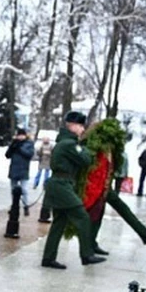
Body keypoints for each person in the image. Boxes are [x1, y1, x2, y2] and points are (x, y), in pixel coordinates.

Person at [77, 121, 146, 256]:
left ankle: (144, 234)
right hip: (95, 186)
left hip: (105, 186)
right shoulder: (92, 145)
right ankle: (90, 245)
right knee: (95, 216)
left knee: (118, 210)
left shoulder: (109, 148)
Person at [40, 111, 106, 269]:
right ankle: (86, 254)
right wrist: (86, 150)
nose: (83, 129)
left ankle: (48, 258)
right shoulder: (69, 144)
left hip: (59, 184)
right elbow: (86, 160)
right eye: (81, 126)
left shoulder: (65, 142)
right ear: (72, 125)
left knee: (59, 222)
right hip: (62, 185)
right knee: (82, 217)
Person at [5, 128, 34, 215]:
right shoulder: (14, 143)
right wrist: (12, 146)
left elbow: (29, 154)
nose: (20, 137)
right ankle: (14, 206)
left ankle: (26, 206)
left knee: (24, 189)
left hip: (23, 169)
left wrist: (20, 149)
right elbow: (7, 155)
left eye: (22, 135)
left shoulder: (29, 144)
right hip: (14, 169)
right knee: (13, 190)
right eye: (19, 135)